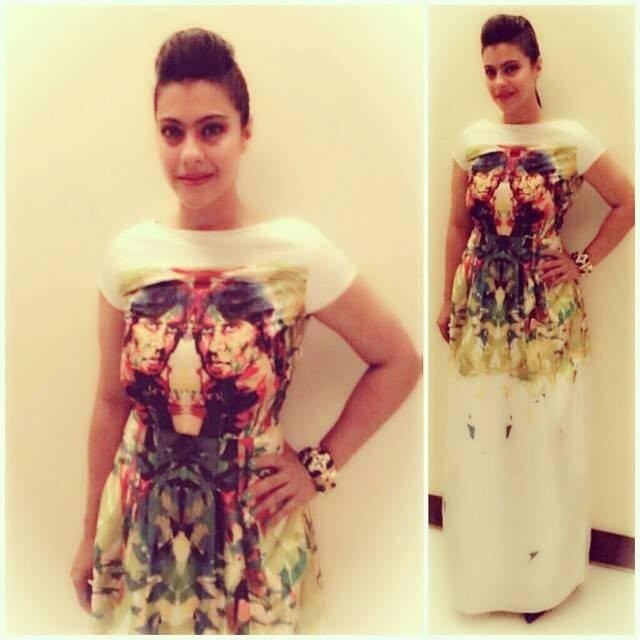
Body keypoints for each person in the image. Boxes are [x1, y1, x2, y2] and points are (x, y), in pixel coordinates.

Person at [70, 28, 421, 634]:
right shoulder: (127, 258)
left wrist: (318, 467)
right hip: (139, 530)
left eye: (212, 129)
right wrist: (86, 535)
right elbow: (110, 401)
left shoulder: (297, 254)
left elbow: (399, 361)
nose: (190, 154)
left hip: (252, 539)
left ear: (245, 132)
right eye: (172, 132)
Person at [436, 14, 634, 624]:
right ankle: (487, 574)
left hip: (546, 315)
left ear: (537, 66)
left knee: (546, 439)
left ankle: (542, 579)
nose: (500, 82)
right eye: (490, 71)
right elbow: (457, 226)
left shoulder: (571, 139)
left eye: (511, 68)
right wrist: (446, 300)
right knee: (482, 436)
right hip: (481, 312)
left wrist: (580, 262)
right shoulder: (470, 141)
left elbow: (627, 203)